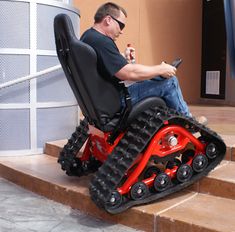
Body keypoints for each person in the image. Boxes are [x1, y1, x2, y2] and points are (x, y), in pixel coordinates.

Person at [80, 2, 207, 124]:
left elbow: (102, 66)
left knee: (156, 78)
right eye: (121, 25)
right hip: (119, 101)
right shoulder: (102, 41)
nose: (121, 31)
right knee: (169, 82)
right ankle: (187, 122)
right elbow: (129, 73)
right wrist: (161, 69)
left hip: (104, 99)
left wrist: (123, 57)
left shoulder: (89, 37)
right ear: (108, 20)